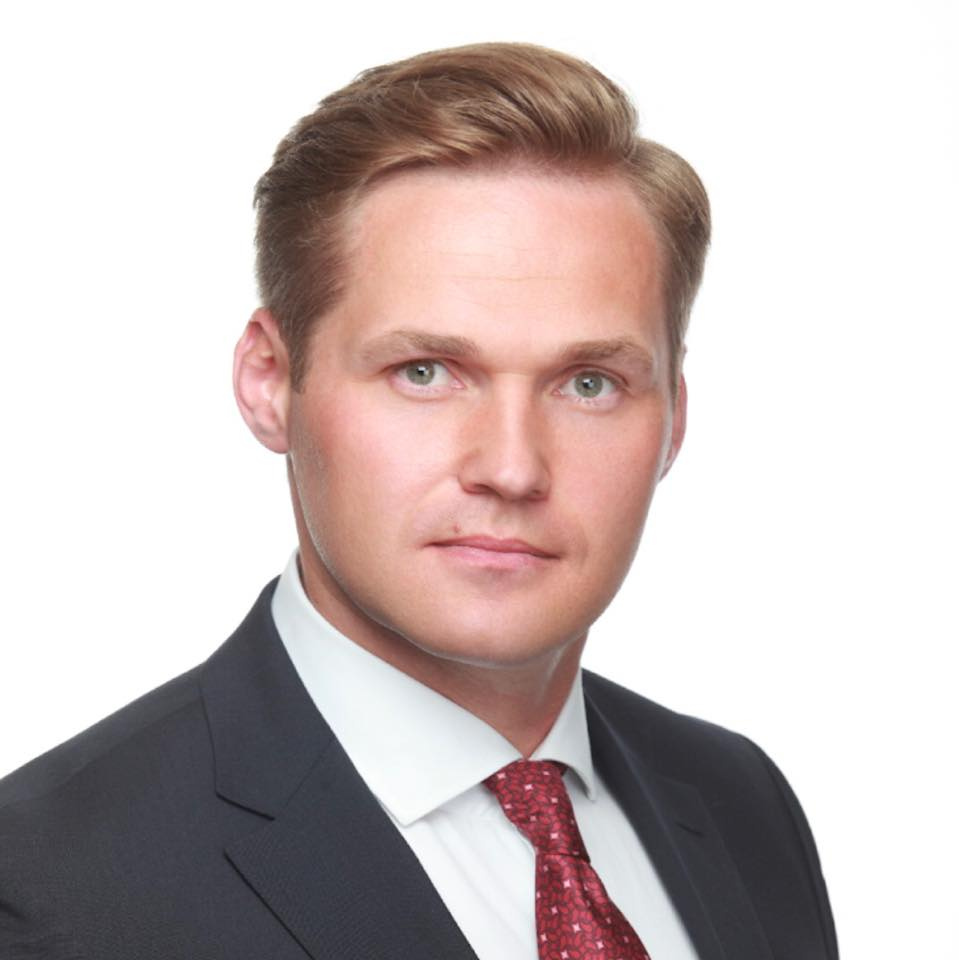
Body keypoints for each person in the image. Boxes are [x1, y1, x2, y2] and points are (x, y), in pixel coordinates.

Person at [0, 42, 838, 960]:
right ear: (269, 383)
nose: (511, 468)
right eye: (425, 372)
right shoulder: (48, 890)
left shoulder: (739, 803)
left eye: (588, 383)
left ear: (672, 417)